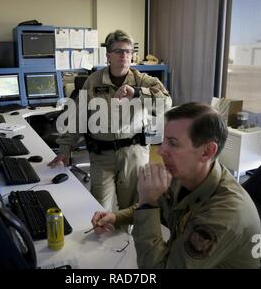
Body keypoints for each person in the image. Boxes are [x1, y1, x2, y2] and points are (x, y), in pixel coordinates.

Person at [91, 102, 261, 268]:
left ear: (207, 151)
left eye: (173, 143)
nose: (160, 151)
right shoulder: (183, 174)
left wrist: (146, 203)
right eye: (164, 140)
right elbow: (160, 203)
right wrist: (116, 217)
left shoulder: (225, 215)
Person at [48, 30, 171, 211]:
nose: (125, 55)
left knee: (130, 210)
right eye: (119, 51)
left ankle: (127, 240)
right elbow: (77, 118)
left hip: (133, 155)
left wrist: (137, 92)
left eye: (129, 51)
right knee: (99, 209)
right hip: (102, 156)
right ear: (108, 56)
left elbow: (166, 103)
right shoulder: (93, 81)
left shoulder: (143, 80)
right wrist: (65, 148)